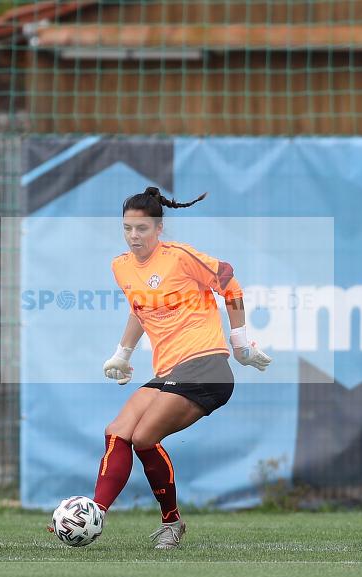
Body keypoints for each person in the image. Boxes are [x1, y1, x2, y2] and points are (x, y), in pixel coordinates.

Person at [92, 186, 271, 549]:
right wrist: (122, 353)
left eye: (141, 229)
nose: (133, 236)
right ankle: (93, 513)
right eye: (127, 228)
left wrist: (240, 343)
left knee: (143, 437)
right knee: (118, 431)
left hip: (207, 368)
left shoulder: (179, 257)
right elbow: (139, 309)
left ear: (159, 229)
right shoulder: (121, 266)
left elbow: (229, 282)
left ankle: (171, 525)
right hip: (171, 372)